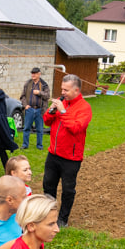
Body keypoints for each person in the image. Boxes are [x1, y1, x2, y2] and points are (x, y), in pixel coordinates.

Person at [42, 74, 92, 228]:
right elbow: (46, 122)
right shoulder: (61, 102)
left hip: (71, 158)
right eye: (62, 89)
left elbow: (75, 128)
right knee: (48, 185)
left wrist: (63, 112)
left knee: (68, 189)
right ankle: (48, 214)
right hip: (54, 154)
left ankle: (63, 219)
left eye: (66, 90)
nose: (62, 92)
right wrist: (51, 110)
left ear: (76, 90)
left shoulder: (84, 108)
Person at [20, 67, 49, 150]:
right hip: (30, 109)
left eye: (35, 73)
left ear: (39, 74)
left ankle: (39, 146)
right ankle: (25, 145)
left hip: (40, 110)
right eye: (32, 73)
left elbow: (47, 96)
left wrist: (39, 92)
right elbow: (22, 96)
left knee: (40, 129)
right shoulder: (28, 83)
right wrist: (25, 106)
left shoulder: (44, 84)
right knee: (26, 128)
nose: (33, 75)